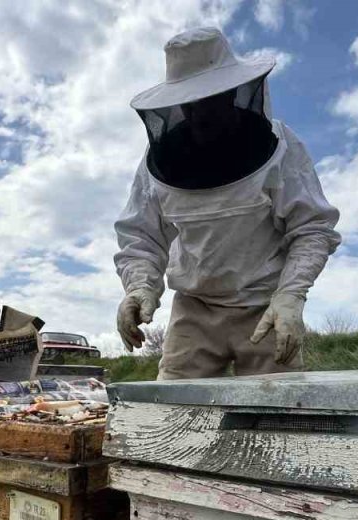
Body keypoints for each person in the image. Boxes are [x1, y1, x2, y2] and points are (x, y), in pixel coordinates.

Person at [113, 27, 341, 380]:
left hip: (265, 308)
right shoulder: (157, 163)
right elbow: (141, 236)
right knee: (173, 416)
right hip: (195, 310)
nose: (201, 113)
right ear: (179, 106)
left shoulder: (281, 147)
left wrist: (291, 295)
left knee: (277, 419)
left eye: (211, 101)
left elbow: (311, 227)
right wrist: (140, 287)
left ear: (233, 94)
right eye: (191, 104)